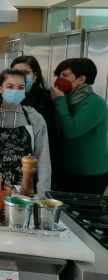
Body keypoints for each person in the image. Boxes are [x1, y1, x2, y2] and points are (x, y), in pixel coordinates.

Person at [0, 69, 51, 195]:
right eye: (10, 87)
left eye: (20, 88)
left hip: (24, 190)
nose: (15, 91)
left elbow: (43, 159)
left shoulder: (34, 118)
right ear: (0, 89)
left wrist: (43, 194)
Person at [51, 58, 108, 194]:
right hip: (65, 169)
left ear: (81, 79)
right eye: (58, 75)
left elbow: (71, 130)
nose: (59, 79)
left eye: (65, 75)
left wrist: (59, 100)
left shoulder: (94, 103)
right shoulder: (68, 99)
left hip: (88, 174)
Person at [11, 55, 59, 188]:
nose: (20, 76)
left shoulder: (45, 101)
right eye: (15, 72)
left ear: (35, 76)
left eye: (25, 72)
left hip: (34, 165)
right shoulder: (3, 101)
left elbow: (48, 143)